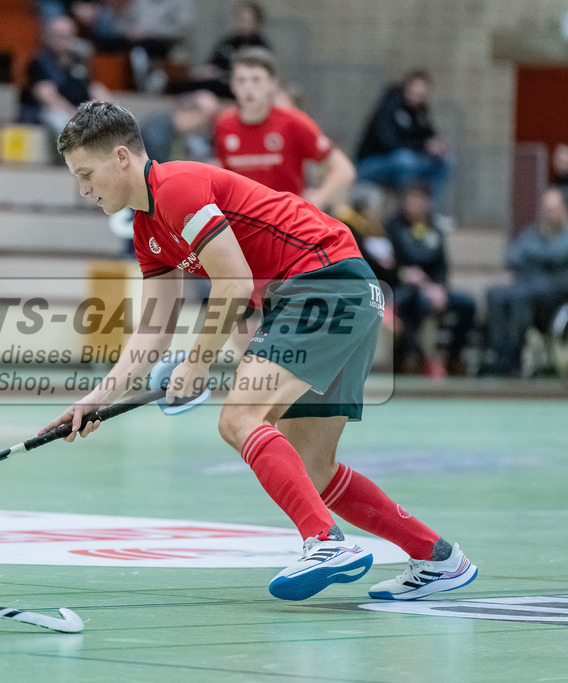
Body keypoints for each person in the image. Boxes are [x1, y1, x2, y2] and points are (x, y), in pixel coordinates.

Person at [49, 101, 477, 602]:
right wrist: (93, 400)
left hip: (323, 283)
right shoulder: (148, 230)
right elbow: (152, 333)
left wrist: (198, 362)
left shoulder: (177, 187)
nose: (83, 190)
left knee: (239, 418)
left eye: (86, 174)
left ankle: (325, 544)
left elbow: (234, 281)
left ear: (121, 157)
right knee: (311, 466)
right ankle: (439, 558)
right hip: (343, 293)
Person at [213, 48, 355, 211]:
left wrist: (317, 199)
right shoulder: (224, 124)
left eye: (256, 80)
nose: (248, 88)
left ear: (272, 84)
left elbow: (344, 169)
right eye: (241, 80)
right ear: (232, 85)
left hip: (285, 224)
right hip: (243, 223)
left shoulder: (293, 122)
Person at [386, 184, 476, 376]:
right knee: (416, 304)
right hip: (405, 288)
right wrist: (405, 274)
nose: (415, 204)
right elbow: (389, 264)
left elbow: (442, 265)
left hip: (434, 289)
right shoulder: (393, 227)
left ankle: (453, 356)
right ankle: (417, 357)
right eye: (411, 199)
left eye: (420, 199)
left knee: (467, 305)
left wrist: (441, 289)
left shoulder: (435, 227)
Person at [485, 187, 568, 376]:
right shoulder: (532, 232)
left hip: (555, 296)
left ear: (563, 209)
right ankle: (499, 357)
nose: (549, 213)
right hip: (527, 288)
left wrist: (536, 257)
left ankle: (513, 359)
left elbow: (557, 254)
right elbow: (513, 255)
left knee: (522, 296)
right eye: (546, 209)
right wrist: (542, 257)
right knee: (495, 295)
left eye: (553, 209)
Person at [355, 70, 453, 209]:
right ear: (407, 87)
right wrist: (423, 147)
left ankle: (431, 213)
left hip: (404, 161)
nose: (418, 95)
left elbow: (429, 136)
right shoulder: (389, 106)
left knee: (445, 161)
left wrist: (438, 145)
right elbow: (389, 143)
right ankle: (405, 215)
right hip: (370, 165)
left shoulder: (420, 112)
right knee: (405, 160)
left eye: (422, 94)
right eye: (415, 90)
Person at [19, 16, 111, 137]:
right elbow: (46, 95)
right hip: (46, 112)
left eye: (69, 36)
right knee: (61, 119)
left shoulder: (79, 60)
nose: (65, 41)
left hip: (76, 111)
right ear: (49, 37)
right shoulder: (39, 61)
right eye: (60, 36)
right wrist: (76, 116)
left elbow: (91, 87)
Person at [183, 0, 270, 99]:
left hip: (235, 89)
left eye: (247, 20)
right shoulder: (228, 42)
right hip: (214, 85)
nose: (243, 24)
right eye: (240, 19)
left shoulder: (260, 47)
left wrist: (223, 74)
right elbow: (212, 63)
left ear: (257, 22)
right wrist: (206, 71)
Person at [139, 89, 220, 164]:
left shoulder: (173, 128)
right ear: (191, 114)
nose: (197, 127)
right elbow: (158, 163)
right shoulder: (158, 129)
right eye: (199, 121)